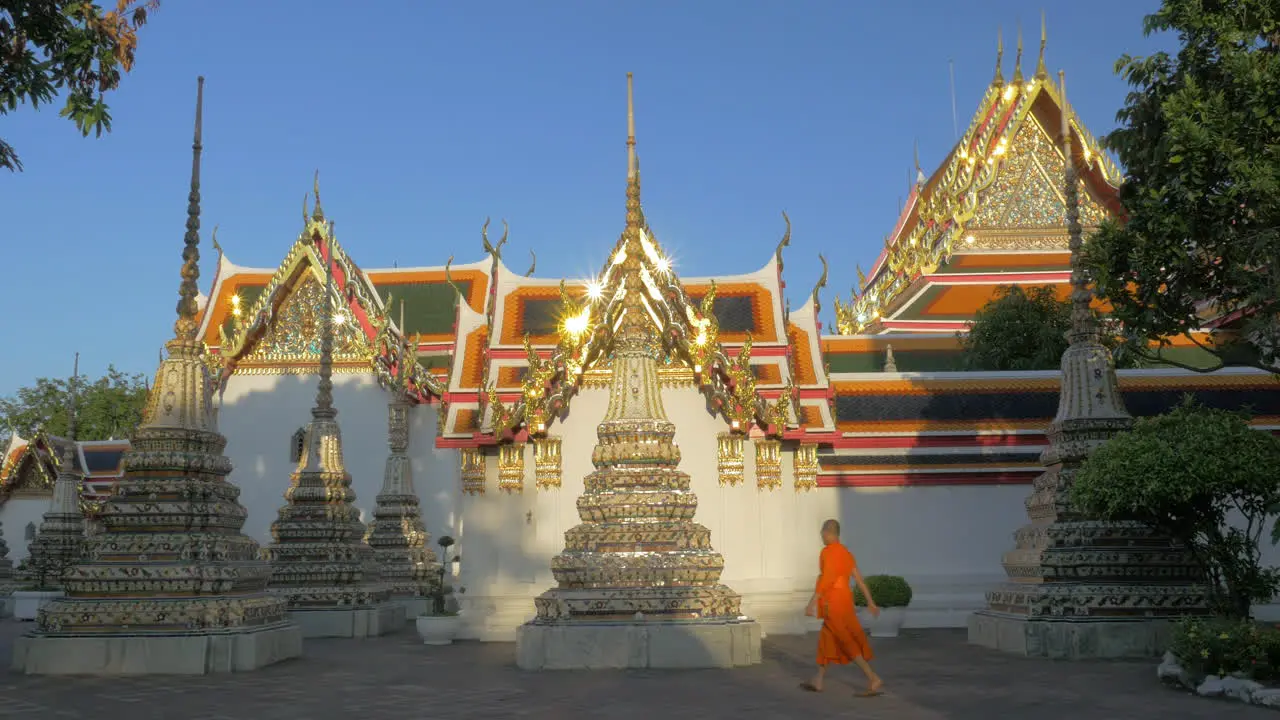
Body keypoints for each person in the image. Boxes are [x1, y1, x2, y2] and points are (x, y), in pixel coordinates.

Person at [799, 518, 884, 697]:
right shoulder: (846, 553)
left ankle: (872, 677)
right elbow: (859, 579)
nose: (821, 536)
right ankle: (818, 679)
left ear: (827, 533)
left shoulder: (828, 553)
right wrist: (870, 601)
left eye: (822, 532)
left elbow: (826, 580)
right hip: (845, 601)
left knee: (846, 641)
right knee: (826, 639)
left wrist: (811, 603)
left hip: (833, 603)